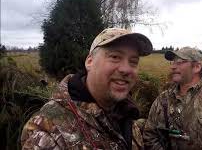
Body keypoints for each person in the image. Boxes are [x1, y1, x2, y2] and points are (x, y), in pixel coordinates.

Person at [21, 28, 153, 150]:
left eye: (133, 62)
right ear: (89, 61)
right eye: (115, 57)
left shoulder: (126, 113)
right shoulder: (48, 131)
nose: (126, 69)